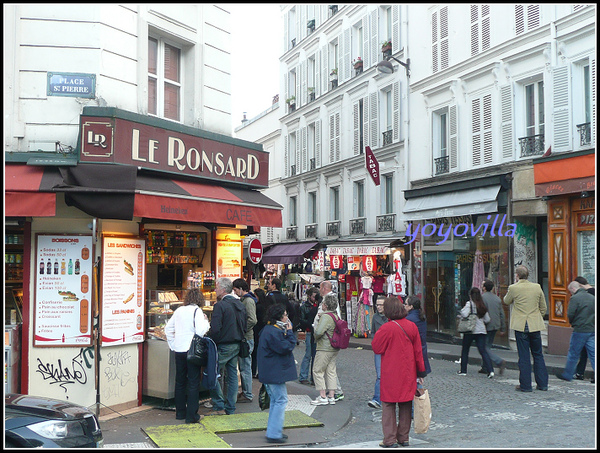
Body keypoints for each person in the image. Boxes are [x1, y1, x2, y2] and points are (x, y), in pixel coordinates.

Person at [372, 296, 427, 448]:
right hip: (408, 372)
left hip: (391, 373)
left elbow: (377, 348)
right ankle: (404, 437)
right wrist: (421, 372)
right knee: (405, 405)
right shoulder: (411, 326)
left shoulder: (386, 328)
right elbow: (418, 351)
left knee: (388, 405)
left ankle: (389, 439)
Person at [165, 288, 210, 423]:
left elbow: (168, 329)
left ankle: (180, 412)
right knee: (193, 382)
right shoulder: (197, 311)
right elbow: (201, 331)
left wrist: (173, 345)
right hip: (192, 351)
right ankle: (192, 415)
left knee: (180, 381)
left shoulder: (179, 310)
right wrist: (206, 322)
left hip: (179, 350)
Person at [503, 265, 549, 392]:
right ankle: (543, 384)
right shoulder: (537, 287)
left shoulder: (513, 288)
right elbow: (543, 306)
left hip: (521, 325)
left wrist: (512, 288)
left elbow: (506, 301)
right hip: (534, 324)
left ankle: (526, 385)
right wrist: (537, 317)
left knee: (524, 356)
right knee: (538, 354)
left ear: (517, 276)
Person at [257, 303, 297, 444]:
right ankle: (274, 433)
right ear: (280, 317)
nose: (287, 317)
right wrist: (290, 332)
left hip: (270, 370)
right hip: (273, 372)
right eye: (285, 315)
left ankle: (274, 430)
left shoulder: (269, 329)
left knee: (276, 400)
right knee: (280, 400)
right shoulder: (274, 331)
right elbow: (286, 347)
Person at [207, 277, 247, 415]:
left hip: (224, 344)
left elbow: (216, 328)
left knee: (212, 372)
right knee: (232, 376)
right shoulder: (239, 304)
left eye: (217, 287)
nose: (215, 289)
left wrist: (210, 339)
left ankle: (218, 404)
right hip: (237, 343)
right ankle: (230, 406)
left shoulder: (220, 306)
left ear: (223, 289)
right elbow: (245, 324)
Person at [555, 281, 595, 382]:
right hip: (591, 329)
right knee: (593, 354)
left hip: (580, 329)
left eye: (570, 291)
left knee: (574, 353)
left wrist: (573, 323)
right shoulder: (592, 298)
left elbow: (570, 314)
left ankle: (568, 374)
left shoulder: (575, 298)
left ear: (573, 289)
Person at [313, 280, 344, 402]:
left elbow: (319, 332)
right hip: (332, 345)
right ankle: (332, 395)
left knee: (318, 370)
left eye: (320, 288)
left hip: (325, 344)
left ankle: (323, 396)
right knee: (331, 370)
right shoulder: (334, 314)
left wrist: (316, 335)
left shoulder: (326, 315)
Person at [457, 287, 495, 378]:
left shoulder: (469, 304)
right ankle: (490, 370)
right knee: (483, 351)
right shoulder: (481, 304)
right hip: (481, 330)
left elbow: (464, 314)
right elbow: (487, 319)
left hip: (470, 330)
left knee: (465, 350)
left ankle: (463, 370)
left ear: (470, 295)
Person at [232, 278, 257, 403]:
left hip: (246, 338)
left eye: (236, 290)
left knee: (245, 366)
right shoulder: (246, 300)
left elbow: (252, 319)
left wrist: (241, 330)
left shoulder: (248, 301)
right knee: (244, 365)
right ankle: (246, 392)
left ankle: (247, 393)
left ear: (241, 289)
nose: (235, 292)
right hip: (246, 337)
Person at [480, 279, 507, 375]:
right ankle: (485, 366)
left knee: (484, 347)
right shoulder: (497, 299)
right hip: (495, 325)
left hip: (486, 325)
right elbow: (502, 314)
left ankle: (498, 361)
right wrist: (503, 328)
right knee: (488, 345)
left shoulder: (482, 298)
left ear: (484, 288)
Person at [367, 295, 388, 409]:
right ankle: (377, 399)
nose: (379, 307)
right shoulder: (375, 317)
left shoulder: (390, 317)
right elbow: (373, 332)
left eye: (381, 305)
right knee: (380, 375)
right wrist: (376, 342)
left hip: (389, 349)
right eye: (377, 305)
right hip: (379, 349)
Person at [574, 276, 595, 382]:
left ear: (580, 285)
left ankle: (580, 372)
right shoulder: (593, 291)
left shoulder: (587, 295)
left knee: (587, 352)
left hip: (587, 327)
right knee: (585, 351)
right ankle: (579, 372)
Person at [298, 286, 320, 385]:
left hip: (314, 331)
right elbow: (301, 320)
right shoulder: (304, 307)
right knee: (308, 354)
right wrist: (310, 324)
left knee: (315, 355)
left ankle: (312, 377)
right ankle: (303, 376)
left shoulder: (318, 307)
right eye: (314, 296)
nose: (315, 298)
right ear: (309, 296)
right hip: (309, 331)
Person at [406, 295, 431, 377]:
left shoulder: (409, 319)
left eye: (406, 304)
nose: (404, 306)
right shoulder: (421, 316)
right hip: (422, 348)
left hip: (414, 350)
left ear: (411, 307)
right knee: (419, 377)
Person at [252, 287, 271, 378]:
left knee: (255, 353)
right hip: (265, 331)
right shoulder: (267, 306)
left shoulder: (257, 306)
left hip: (257, 331)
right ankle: (262, 372)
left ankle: (253, 371)